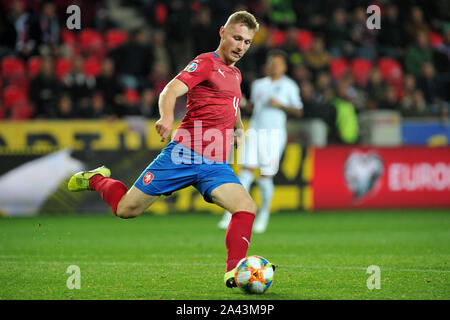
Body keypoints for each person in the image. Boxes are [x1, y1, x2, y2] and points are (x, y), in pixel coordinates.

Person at [67, 11, 271, 289]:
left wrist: (237, 128)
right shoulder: (204, 63)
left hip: (215, 164)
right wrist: (165, 117)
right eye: (237, 38)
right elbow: (170, 91)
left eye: (247, 42)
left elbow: (230, 104)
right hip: (183, 154)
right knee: (126, 210)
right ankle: (96, 179)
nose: (241, 46)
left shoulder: (235, 73)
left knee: (246, 207)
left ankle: (234, 271)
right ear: (222, 32)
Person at [218, 49, 303, 233]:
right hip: (255, 132)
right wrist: (241, 102)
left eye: (278, 63)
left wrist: (281, 106)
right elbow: (254, 108)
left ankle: (264, 214)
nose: (274, 66)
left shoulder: (289, 86)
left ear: (284, 67)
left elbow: (298, 110)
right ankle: (233, 213)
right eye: (271, 63)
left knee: (265, 176)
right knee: (245, 174)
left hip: (274, 135)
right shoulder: (259, 84)